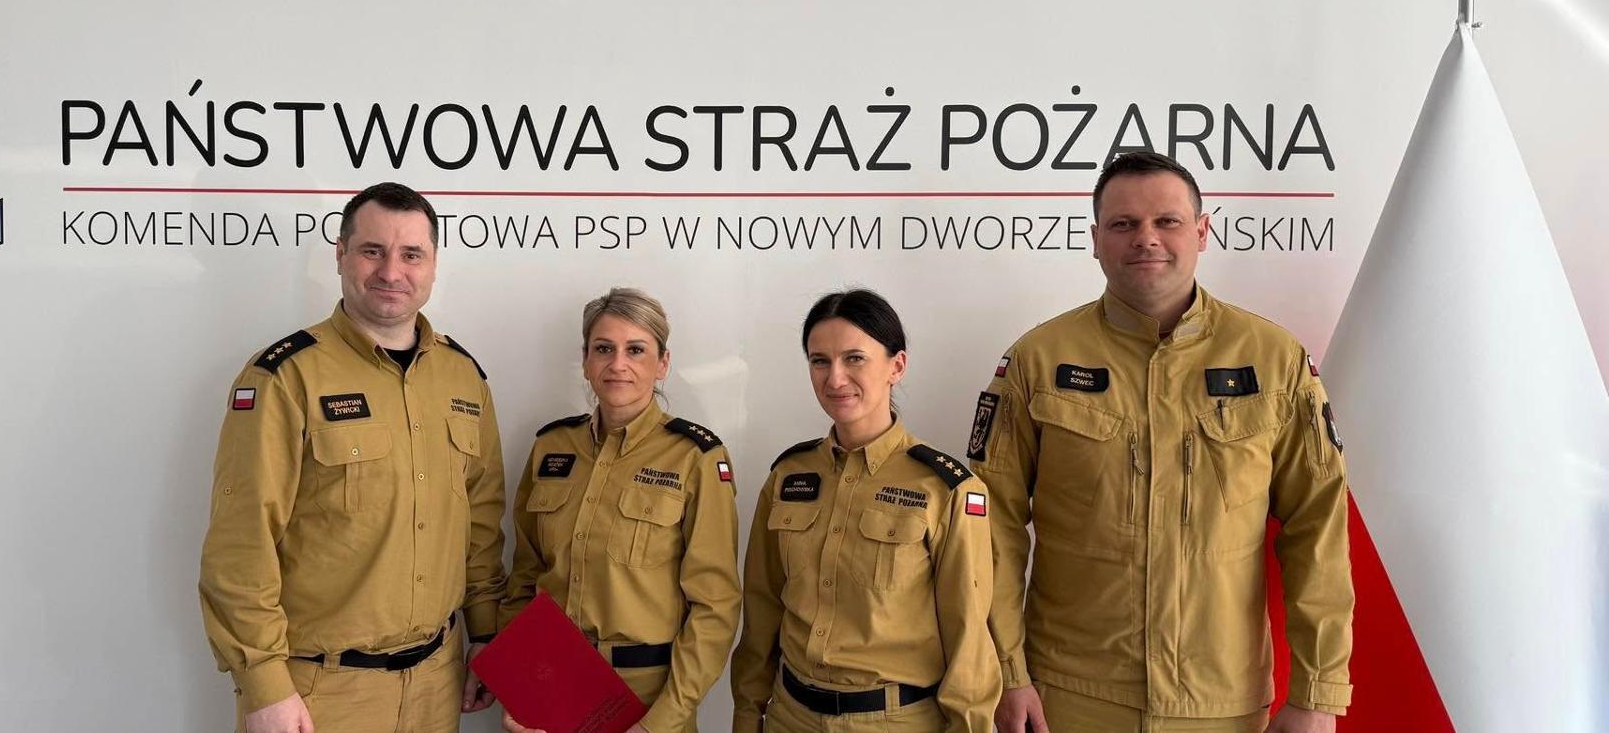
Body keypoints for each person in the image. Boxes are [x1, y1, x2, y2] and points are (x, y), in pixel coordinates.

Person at [972, 151, 1353, 733]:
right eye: (1123, 224)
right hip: (1068, 698)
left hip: (1221, 703)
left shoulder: (1275, 361)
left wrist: (1318, 695)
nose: (1145, 238)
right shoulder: (1038, 360)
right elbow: (988, 523)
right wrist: (1005, 671)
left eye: (1167, 221)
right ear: (1095, 239)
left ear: (1201, 231)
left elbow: (1318, 529)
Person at [199, 182, 508, 733]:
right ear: (341, 254)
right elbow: (242, 541)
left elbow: (480, 525)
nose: (391, 271)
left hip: (437, 683)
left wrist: (484, 631)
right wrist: (264, 685)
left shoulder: (463, 377)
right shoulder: (286, 376)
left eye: (411, 254)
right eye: (372, 250)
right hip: (319, 691)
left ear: (433, 264)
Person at [731, 289, 1001, 732]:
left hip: (894, 721)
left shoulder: (945, 489)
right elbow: (761, 611)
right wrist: (747, 713)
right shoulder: (789, 475)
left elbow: (968, 638)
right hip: (789, 717)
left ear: (897, 366)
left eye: (854, 358)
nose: (835, 378)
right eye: (820, 361)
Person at [498, 287, 741, 733]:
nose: (617, 364)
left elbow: (715, 607)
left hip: (645, 697)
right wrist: (518, 684)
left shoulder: (695, 458)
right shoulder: (552, 447)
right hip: (550, 682)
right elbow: (524, 578)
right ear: (586, 360)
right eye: (603, 349)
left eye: (636, 350)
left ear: (663, 363)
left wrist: (660, 722)